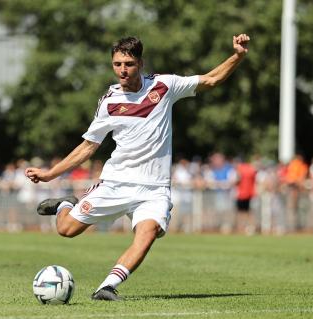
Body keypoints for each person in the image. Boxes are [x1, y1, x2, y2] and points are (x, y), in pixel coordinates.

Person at [25, 34, 250, 300]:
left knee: (148, 232)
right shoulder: (109, 102)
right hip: (116, 182)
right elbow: (88, 147)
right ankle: (66, 204)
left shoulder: (164, 86)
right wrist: (50, 174)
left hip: (154, 189)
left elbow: (211, 79)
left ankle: (106, 287)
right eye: (117, 63)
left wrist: (237, 56)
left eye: (129, 63)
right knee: (66, 230)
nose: (122, 69)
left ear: (140, 63)